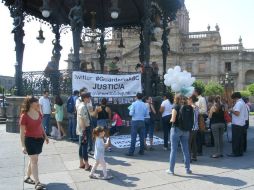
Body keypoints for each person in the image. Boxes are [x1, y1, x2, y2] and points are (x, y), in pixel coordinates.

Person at [20, 96, 49, 190]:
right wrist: (23, 146)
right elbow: (22, 133)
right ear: (31, 104)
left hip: (39, 139)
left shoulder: (38, 113)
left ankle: (27, 177)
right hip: (30, 140)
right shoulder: (24, 116)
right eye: (37, 102)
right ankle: (37, 183)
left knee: (33, 159)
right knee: (34, 160)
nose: (38, 104)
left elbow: (40, 125)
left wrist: (45, 136)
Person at [167, 95, 193, 175]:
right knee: (186, 150)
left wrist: (170, 120)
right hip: (186, 130)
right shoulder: (189, 107)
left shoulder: (176, 106)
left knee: (173, 150)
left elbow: (173, 119)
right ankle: (188, 169)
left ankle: (171, 170)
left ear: (176, 99)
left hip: (176, 129)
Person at [227, 92, 248, 157]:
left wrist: (231, 110)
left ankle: (235, 152)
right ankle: (240, 152)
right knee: (240, 139)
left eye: (233, 99)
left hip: (237, 123)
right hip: (241, 123)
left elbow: (237, 113)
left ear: (235, 98)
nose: (233, 100)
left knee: (236, 139)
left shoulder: (238, 103)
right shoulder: (242, 102)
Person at [76, 92, 93, 170]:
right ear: (85, 98)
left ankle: (81, 163)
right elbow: (81, 119)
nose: (90, 98)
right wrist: (84, 131)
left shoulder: (82, 105)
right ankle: (86, 164)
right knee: (84, 147)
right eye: (89, 97)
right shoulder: (82, 106)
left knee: (81, 146)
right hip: (84, 129)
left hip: (83, 129)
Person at [194, 87, 207, 156]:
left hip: (199, 118)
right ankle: (195, 150)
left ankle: (199, 150)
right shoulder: (194, 99)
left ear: (197, 92)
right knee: (195, 135)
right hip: (194, 119)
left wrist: (196, 111)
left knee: (198, 135)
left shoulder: (202, 99)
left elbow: (204, 110)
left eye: (194, 91)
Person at [188, 95, 199, 162]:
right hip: (196, 127)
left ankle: (188, 158)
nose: (187, 100)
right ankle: (194, 156)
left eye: (188, 99)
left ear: (191, 99)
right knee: (194, 143)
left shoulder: (192, 107)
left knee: (188, 143)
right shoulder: (196, 106)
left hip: (191, 127)